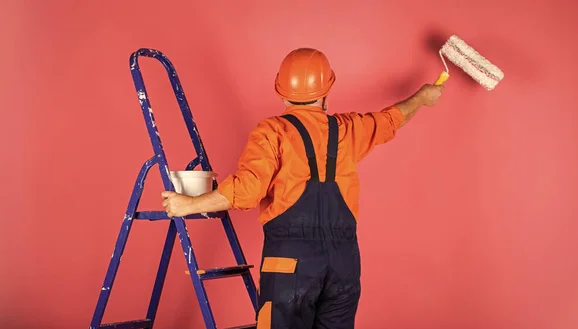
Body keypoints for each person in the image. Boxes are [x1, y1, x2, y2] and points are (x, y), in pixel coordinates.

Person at [161, 48, 443, 329]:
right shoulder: (348, 129)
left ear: (282, 93)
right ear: (326, 92)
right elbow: (391, 119)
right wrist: (422, 97)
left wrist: (188, 205)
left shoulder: (271, 133)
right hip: (343, 262)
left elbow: (246, 191)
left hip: (290, 264)